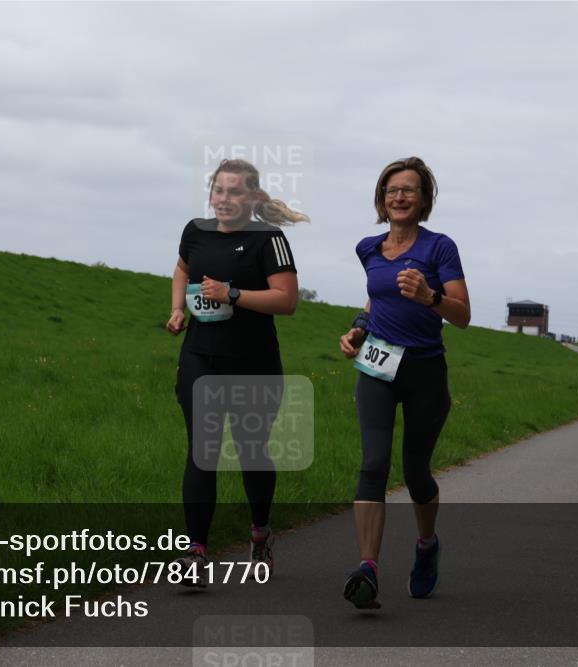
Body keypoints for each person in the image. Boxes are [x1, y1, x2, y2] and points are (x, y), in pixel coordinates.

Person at [166, 158, 307, 585]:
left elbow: (287, 300)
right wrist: (176, 309)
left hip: (254, 365)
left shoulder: (269, 239)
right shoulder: (195, 231)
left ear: (253, 197)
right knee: (202, 452)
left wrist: (232, 293)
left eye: (234, 191)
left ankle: (260, 533)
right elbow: (181, 270)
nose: (224, 199)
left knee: (251, 452)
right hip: (200, 358)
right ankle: (195, 555)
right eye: (219, 190)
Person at [338, 157, 470, 608]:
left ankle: (427, 545)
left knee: (415, 471)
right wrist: (358, 328)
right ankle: (368, 569)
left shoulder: (440, 248)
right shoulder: (368, 248)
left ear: (424, 199)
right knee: (373, 464)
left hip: (425, 371)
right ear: (381, 198)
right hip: (379, 365)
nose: (399, 197)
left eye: (409, 190)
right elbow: (376, 302)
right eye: (392, 190)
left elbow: (463, 315)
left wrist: (430, 296)